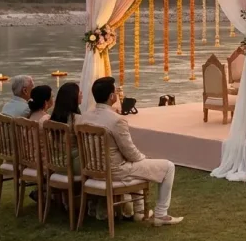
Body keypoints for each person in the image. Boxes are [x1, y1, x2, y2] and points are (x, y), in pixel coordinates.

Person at [77, 77, 183, 227]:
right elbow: (131, 153)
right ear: (111, 96)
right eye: (115, 91)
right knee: (168, 167)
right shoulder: (116, 120)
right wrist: (144, 158)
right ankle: (161, 214)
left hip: (92, 170)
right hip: (116, 171)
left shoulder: (84, 117)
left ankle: (139, 211)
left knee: (140, 165)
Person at [49, 82, 83, 174]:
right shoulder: (76, 119)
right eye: (79, 92)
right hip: (73, 165)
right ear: (73, 97)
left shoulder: (52, 119)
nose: (82, 94)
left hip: (56, 163)